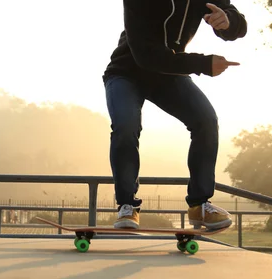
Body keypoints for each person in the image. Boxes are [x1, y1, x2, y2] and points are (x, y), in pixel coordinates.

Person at [102, 0, 247, 229]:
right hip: (126, 72)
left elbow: (237, 25)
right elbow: (147, 57)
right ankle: (127, 207)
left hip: (169, 72)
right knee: (126, 126)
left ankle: (199, 206)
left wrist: (228, 20)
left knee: (206, 121)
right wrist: (203, 64)